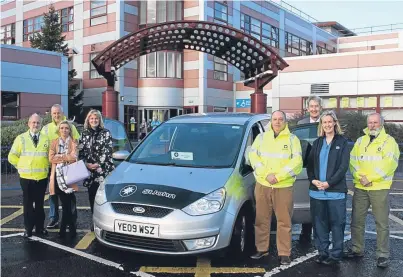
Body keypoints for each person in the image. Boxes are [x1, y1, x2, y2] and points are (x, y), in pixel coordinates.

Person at [345, 113, 400, 268]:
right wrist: (358, 176)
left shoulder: (389, 142)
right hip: (361, 187)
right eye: (370, 122)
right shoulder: (360, 141)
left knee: (381, 223)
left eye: (375, 122)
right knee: (357, 220)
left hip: (379, 188)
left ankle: (382, 255)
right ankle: (357, 249)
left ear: (381, 124)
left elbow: (389, 165)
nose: (372, 125)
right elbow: (353, 161)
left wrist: (371, 178)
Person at [249, 110, 303, 265]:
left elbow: (297, 162)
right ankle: (261, 249)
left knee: (284, 221)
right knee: (261, 219)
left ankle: (284, 253)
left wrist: (277, 177)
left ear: (285, 121)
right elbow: (253, 157)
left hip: (283, 186)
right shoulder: (261, 138)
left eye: (280, 119)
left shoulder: (293, 140)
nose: (277, 122)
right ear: (270, 121)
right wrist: (266, 174)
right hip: (263, 184)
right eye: (274, 119)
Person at [307, 111, 350, 265]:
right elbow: (310, 165)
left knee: (337, 224)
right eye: (324, 122)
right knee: (319, 225)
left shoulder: (343, 142)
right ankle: (323, 252)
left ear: (335, 123)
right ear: (321, 125)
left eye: (330, 122)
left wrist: (329, 183)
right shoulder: (317, 142)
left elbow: (343, 167)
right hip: (317, 193)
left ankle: (336, 254)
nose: (327, 125)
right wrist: (313, 180)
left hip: (335, 193)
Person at [8, 114, 49, 238]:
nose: (35, 125)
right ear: (29, 124)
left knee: (40, 204)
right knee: (27, 204)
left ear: (40, 125)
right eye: (33, 122)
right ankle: (28, 228)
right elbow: (11, 156)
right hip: (26, 178)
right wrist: (20, 167)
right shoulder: (21, 138)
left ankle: (40, 227)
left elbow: (49, 156)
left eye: (38, 123)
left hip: (41, 177)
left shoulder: (46, 139)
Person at [43, 104, 80, 229]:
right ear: (51, 114)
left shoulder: (71, 126)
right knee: (53, 194)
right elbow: (47, 151)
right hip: (53, 168)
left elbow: (76, 146)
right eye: (54, 113)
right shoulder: (46, 128)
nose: (56, 115)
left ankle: (72, 218)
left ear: (62, 113)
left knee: (70, 194)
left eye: (58, 113)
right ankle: (54, 218)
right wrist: (60, 157)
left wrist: (60, 157)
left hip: (69, 168)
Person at [79, 110, 115, 229]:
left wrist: (98, 164)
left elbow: (108, 150)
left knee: (104, 197)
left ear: (99, 120)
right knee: (91, 196)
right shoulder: (84, 134)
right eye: (91, 119)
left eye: (96, 119)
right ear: (88, 120)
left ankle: (105, 222)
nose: (94, 121)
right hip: (89, 172)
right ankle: (95, 222)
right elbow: (81, 151)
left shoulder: (106, 133)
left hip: (104, 170)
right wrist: (86, 164)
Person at [297, 95, 323, 242]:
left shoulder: (327, 122)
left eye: (316, 106)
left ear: (321, 108)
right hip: (307, 165)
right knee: (307, 198)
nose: (314, 109)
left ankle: (320, 235)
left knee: (321, 202)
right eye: (311, 106)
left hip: (323, 167)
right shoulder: (302, 123)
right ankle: (305, 231)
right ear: (307, 108)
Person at [49, 120, 79, 238]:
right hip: (57, 178)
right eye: (62, 128)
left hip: (70, 176)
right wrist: (65, 157)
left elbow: (74, 157)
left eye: (66, 128)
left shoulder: (74, 142)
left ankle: (64, 230)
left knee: (67, 204)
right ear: (58, 130)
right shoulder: (54, 142)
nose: (64, 130)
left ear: (70, 130)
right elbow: (51, 158)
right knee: (65, 204)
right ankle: (71, 229)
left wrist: (59, 157)